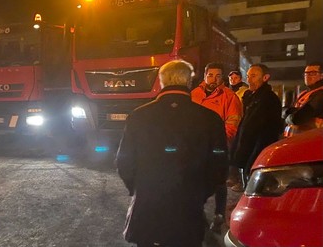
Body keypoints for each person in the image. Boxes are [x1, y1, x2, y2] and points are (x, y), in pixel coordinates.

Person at [116, 60, 228, 247]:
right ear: (189, 82)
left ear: (161, 82)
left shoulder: (138, 116)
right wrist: (202, 192)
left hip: (148, 208)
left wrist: (137, 188)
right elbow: (219, 164)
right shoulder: (210, 118)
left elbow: (124, 161)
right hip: (189, 208)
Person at [191, 62, 242, 233]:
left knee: (219, 182)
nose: (214, 79)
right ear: (204, 76)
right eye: (210, 75)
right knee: (196, 181)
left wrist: (219, 141)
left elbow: (232, 124)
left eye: (218, 75)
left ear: (222, 77)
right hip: (196, 148)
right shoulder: (194, 94)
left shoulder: (229, 97)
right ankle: (197, 214)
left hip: (218, 147)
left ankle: (219, 214)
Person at [230, 64, 283, 191]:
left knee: (256, 185)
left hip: (257, 150)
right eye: (248, 76)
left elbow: (266, 131)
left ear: (265, 77)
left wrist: (255, 154)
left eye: (253, 76)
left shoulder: (269, 99)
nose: (249, 80)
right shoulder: (253, 97)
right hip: (248, 147)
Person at [284, 62, 323, 137]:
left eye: (312, 73)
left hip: (310, 141)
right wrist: (290, 113)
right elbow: (285, 110)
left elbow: (298, 118)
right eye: (306, 74)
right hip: (296, 141)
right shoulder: (304, 93)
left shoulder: (320, 95)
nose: (307, 76)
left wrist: (288, 115)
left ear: (322, 75)